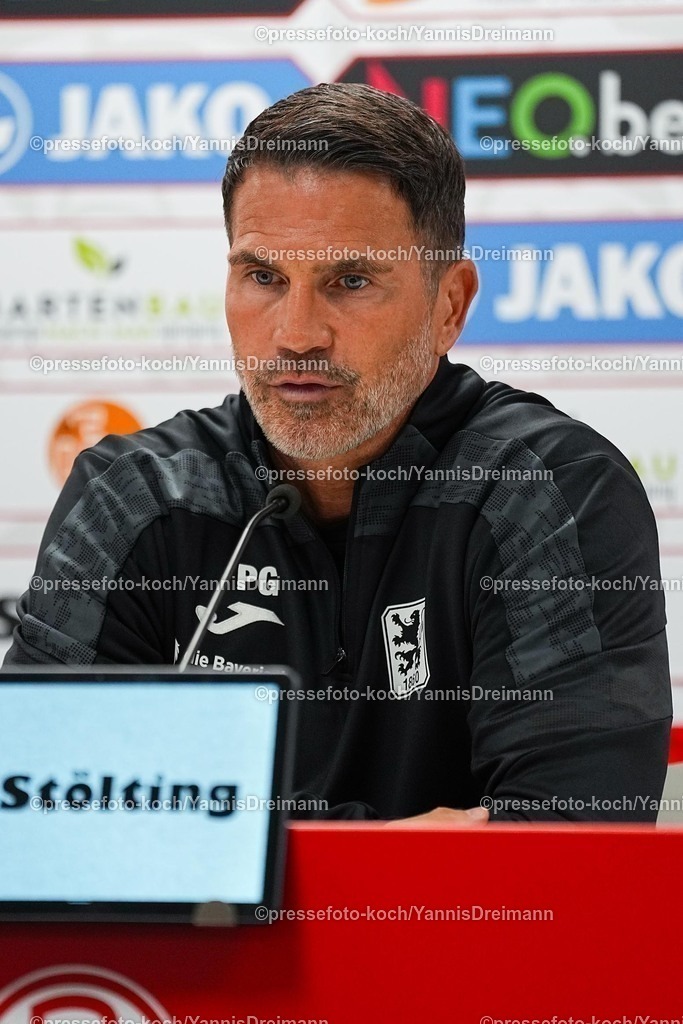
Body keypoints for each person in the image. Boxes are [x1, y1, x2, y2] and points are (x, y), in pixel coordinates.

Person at [4, 83, 672, 824]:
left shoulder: (546, 489)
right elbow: (43, 822)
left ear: (448, 305)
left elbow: (570, 842)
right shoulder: (134, 494)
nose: (295, 334)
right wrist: (424, 839)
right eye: (263, 277)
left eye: (349, 282)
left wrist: (218, 853)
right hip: (200, 948)